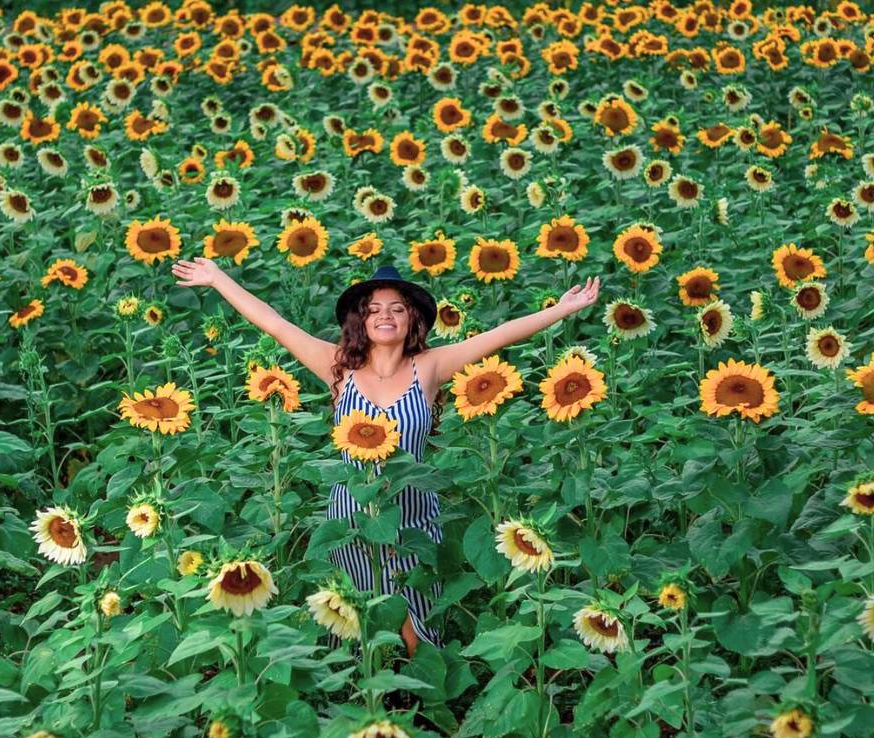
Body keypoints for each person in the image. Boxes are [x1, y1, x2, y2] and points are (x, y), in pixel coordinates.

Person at [171, 256, 600, 657]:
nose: (385, 316)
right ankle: (369, 702)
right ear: (361, 319)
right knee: (359, 615)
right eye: (374, 309)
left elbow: (500, 335)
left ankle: (423, 706)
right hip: (354, 513)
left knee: (415, 623)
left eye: (396, 308)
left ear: (411, 317)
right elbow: (276, 324)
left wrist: (561, 310)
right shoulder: (338, 367)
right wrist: (217, 278)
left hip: (413, 515)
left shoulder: (429, 367)